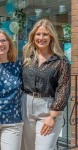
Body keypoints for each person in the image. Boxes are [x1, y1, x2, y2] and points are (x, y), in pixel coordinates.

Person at [21, 19, 71, 150]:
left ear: (51, 37)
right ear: (33, 37)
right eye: (38, 34)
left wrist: (53, 117)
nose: (41, 38)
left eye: (45, 34)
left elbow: (64, 88)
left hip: (48, 108)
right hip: (25, 106)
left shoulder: (61, 61)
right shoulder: (27, 57)